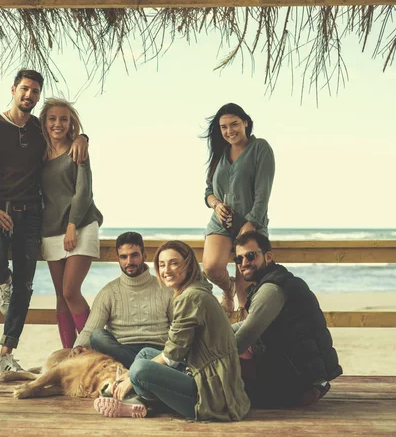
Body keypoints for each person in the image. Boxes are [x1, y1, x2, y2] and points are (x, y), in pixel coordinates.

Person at [0, 69, 88, 374]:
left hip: (32, 215)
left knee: (26, 284)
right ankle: (3, 281)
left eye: (35, 91)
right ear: (13, 89)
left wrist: (84, 137)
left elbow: (65, 133)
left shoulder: (38, 129)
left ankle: (7, 352)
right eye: (25, 89)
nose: (29, 95)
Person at [94, 240, 250, 421]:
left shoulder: (191, 297)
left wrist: (130, 377)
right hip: (201, 372)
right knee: (145, 354)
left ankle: (138, 401)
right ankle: (139, 401)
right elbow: (178, 350)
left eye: (174, 263)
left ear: (189, 264)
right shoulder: (194, 290)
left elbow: (173, 355)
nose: (166, 270)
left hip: (213, 394)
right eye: (161, 265)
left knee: (140, 370)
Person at [232, 231, 342, 407]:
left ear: (268, 256)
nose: (244, 263)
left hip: (296, 382)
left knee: (222, 388)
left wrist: (204, 355)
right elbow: (248, 324)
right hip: (308, 375)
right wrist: (221, 332)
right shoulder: (281, 280)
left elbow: (242, 340)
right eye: (238, 259)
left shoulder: (271, 289)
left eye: (250, 256)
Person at [39, 98, 103, 348]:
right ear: (44, 122)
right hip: (50, 228)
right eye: (52, 119)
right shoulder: (39, 154)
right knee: (60, 297)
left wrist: (72, 226)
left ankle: (89, 350)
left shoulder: (78, 150)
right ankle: (68, 354)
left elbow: (83, 192)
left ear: (71, 123)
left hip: (81, 225)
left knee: (70, 292)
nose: (58, 124)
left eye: (63, 119)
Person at [201, 103, 275, 317]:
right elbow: (208, 191)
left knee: (246, 293)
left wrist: (249, 227)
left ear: (245, 122)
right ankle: (227, 289)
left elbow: (263, 193)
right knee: (212, 268)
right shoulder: (219, 152)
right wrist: (215, 204)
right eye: (223, 127)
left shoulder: (260, 148)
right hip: (220, 222)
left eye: (234, 124)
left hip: (251, 222)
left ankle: (245, 343)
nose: (229, 131)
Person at [73, 232, 173, 368]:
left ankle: (143, 367)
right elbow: (90, 329)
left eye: (134, 255)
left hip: (156, 350)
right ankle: (146, 368)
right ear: (118, 259)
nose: (129, 262)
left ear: (144, 255)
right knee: (97, 337)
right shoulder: (108, 292)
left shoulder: (166, 289)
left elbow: (179, 326)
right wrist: (77, 347)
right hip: (122, 350)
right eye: (123, 257)